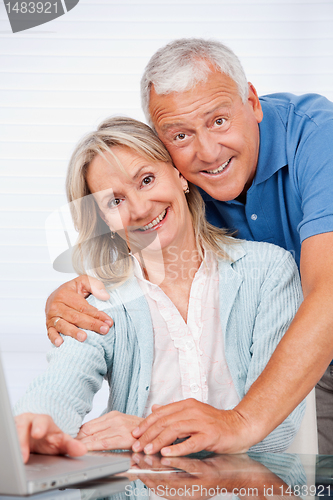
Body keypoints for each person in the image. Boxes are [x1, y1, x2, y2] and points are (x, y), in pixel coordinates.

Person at [44, 38, 333, 455]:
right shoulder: (179, 189)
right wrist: (68, 298)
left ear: (251, 101)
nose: (207, 151)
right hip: (306, 355)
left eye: (218, 121)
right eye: (181, 135)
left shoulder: (318, 136)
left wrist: (240, 421)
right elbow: (137, 234)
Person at [14, 117, 304, 462]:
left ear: (179, 175)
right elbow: (60, 385)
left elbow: (276, 427)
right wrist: (35, 423)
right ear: (103, 219)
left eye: (147, 180)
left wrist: (141, 432)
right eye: (114, 201)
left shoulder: (270, 271)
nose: (140, 209)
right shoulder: (101, 299)